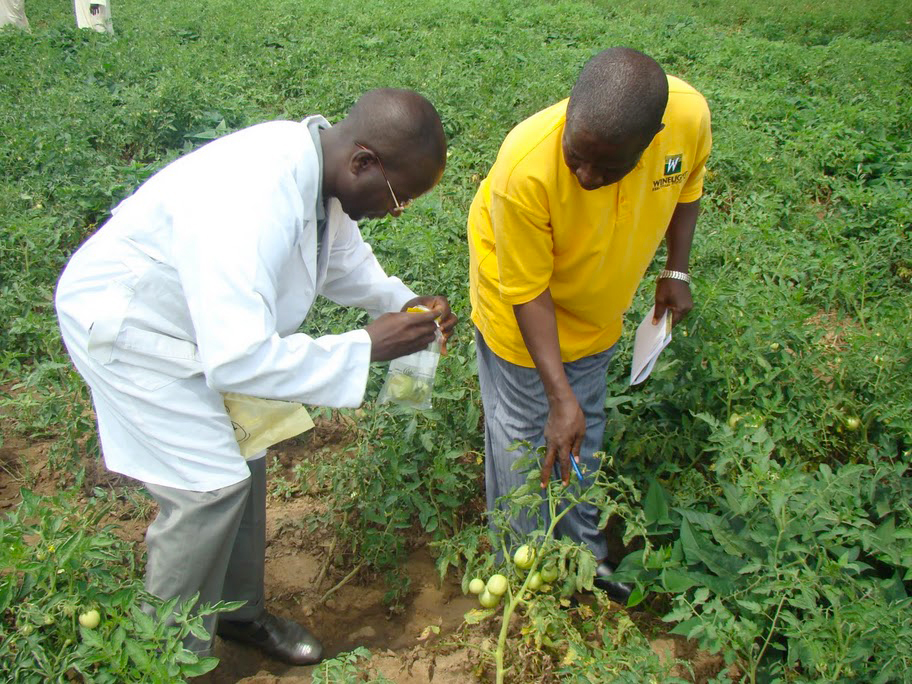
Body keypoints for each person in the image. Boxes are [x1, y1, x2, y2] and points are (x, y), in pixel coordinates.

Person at [55, 88, 457, 665]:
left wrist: (404, 303)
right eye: (399, 198)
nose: (398, 212)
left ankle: (239, 616)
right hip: (132, 329)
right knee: (208, 487)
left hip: (201, 326)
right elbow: (238, 358)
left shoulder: (319, 172)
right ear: (363, 161)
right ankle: (163, 660)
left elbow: (341, 260)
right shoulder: (248, 195)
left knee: (248, 450)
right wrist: (365, 346)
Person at [467, 47, 711, 601]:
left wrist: (676, 268)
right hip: (522, 307)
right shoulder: (525, 168)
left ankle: (582, 559)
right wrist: (559, 397)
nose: (586, 174)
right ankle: (527, 572)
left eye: (608, 166)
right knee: (528, 438)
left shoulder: (689, 119)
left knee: (584, 430)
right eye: (577, 156)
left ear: (651, 142)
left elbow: (688, 186)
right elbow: (527, 291)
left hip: (597, 306)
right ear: (568, 112)